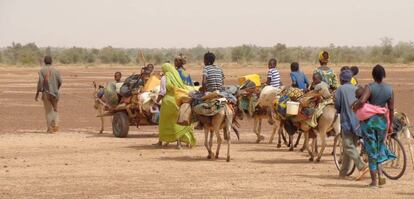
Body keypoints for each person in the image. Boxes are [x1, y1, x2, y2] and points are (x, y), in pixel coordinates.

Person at [353, 64, 396, 188]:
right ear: (383, 75)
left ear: (373, 75)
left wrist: (355, 107)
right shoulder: (389, 89)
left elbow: (361, 101)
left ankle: (374, 181)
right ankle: (381, 176)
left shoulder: (370, 87)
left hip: (369, 122)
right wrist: (390, 125)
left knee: (372, 150)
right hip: (382, 122)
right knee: (379, 148)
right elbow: (391, 109)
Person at [335, 70, 369, 180]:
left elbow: (337, 105)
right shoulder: (356, 88)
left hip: (347, 122)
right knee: (349, 148)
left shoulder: (340, 89)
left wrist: (340, 110)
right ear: (350, 79)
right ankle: (343, 173)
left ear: (341, 79)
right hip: (358, 122)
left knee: (348, 147)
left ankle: (362, 166)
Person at [156, 63, 196, 149]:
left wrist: (157, 101)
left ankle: (160, 141)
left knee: (165, 122)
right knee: (177, 122)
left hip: (168, 102)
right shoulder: (177, 76)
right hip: (178, 101)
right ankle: (179, 144)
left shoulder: (164, 78)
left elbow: (162, 92)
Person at [35, 56, 62, 133]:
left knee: (48, 111)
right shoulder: (56, 70)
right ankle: (56, 126)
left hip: (46, 93)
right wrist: (56, 89)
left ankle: (50, 128)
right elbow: (60, 81)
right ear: (51, 62)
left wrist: (37, 92)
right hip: (56, 93)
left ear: (44, 62)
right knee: (55, 109)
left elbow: (40, 82)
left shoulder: (41, 71)